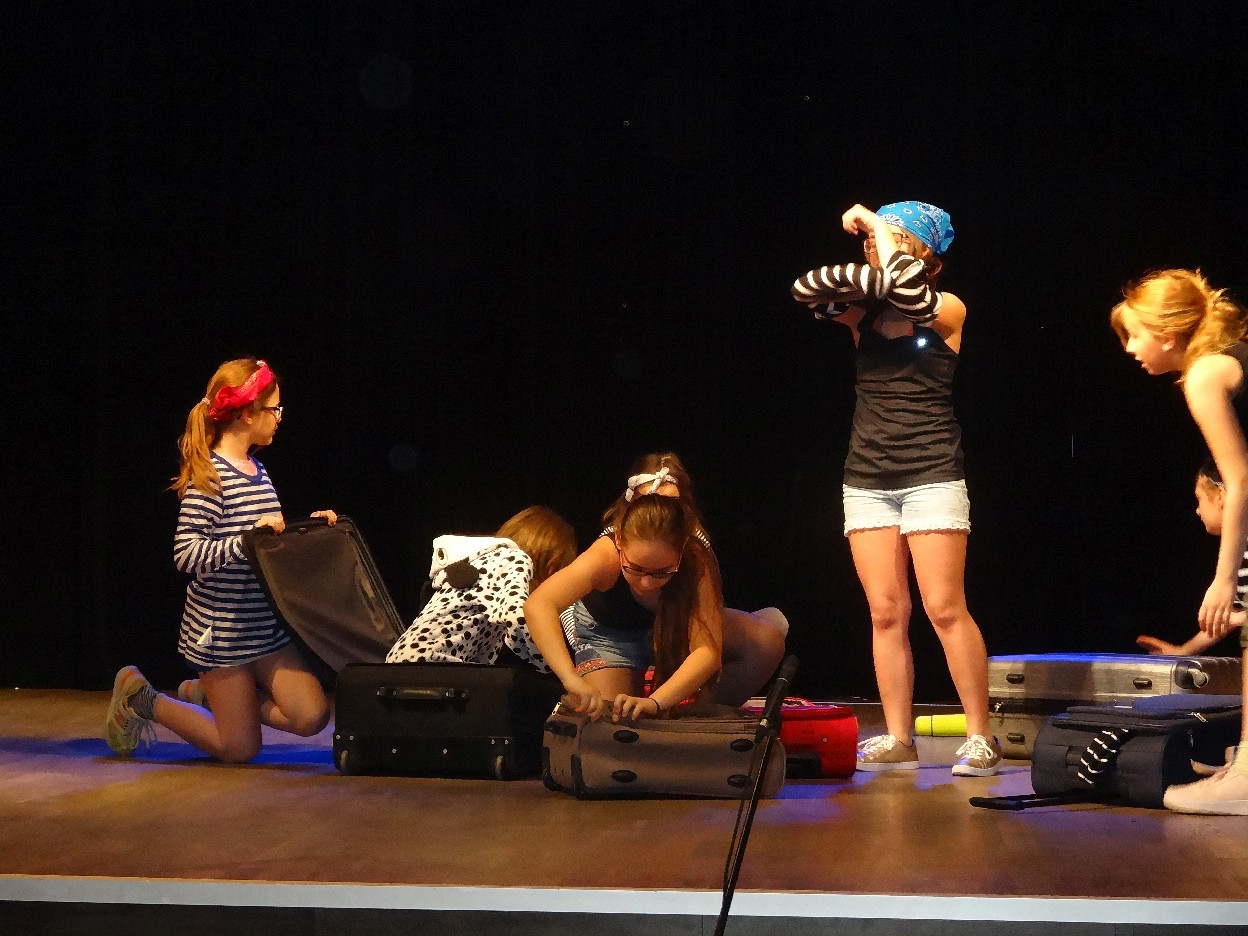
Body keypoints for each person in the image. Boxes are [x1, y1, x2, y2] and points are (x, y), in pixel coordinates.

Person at [791, 201, 1000, 777]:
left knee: (944, 608)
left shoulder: (947, 307)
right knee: (885, 612)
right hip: (867, 477)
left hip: (931, 471)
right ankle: (900, 737)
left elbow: (910, 293)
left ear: (928, 253)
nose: (877, 242)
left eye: (901, 236)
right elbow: (806, 288)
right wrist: (880, 253)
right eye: (879, 235)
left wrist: (877, 225)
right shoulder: (862, 311)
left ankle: (980, 735)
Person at [105, 357, 337, 763]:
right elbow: (186, 554)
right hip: (222, 635)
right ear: (247, 414)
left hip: (262, 629)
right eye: (274, 409)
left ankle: (211, 698)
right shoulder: (210, 477)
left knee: (313, 715)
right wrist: (245, 541)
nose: (279, 418)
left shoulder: (258, 471)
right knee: (239, 749)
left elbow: (266, 546)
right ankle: (140, 698)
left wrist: (311, 530)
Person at [1111, 268, 1248, 814]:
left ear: (1167, 335)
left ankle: (1245, 780)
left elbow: (1239, 479)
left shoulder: (1204, 374)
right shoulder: (1225, 359)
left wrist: (1223, 579)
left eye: (1134, 335)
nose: (1130, 349)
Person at [523, 453, 787, 721]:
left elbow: (706, 651)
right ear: (620, 540)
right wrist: (570, 678)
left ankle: (688, 720)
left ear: (681, 547)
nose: (646, 582)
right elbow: (539, 604)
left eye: (662, 572)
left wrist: (657, 703)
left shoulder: (696, 558)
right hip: (611, 635)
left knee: (766, 642)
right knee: (613, 722)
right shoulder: (605, 554)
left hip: (676, 629)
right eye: (635, 569)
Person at [386, 506, 577, 669]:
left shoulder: (484, 564)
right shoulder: (514, 559)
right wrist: (561, 670)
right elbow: (517, 619)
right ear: (548, 563)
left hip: (405, 665)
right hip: (429, 667)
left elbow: (497, 644)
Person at [1136, 458, 1246, 656]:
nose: (1197, 510)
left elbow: (1237, 617)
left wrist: (1241, 619)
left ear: (1220, 496)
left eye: (1199, 499)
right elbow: (1231, 615)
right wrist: (1183, 651)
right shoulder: (1238, 553)